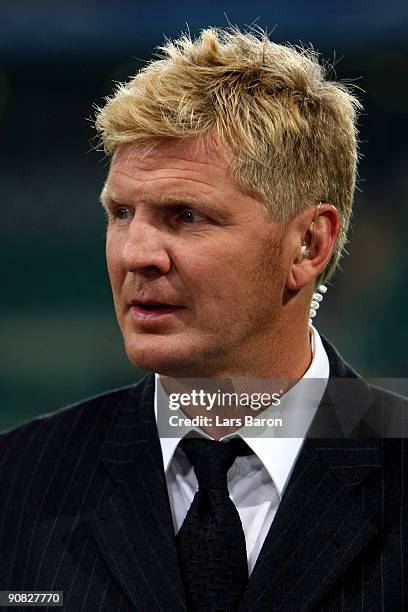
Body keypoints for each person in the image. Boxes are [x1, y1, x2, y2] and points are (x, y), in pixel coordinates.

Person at [0, 26, 407, 612]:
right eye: (120, 213)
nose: (136, 253)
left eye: (186, 215)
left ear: (308, 246)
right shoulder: (17, 482)